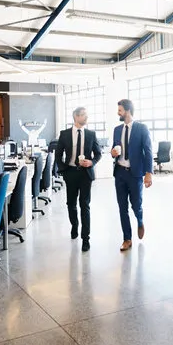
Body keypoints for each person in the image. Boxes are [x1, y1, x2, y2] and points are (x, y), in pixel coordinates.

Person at [54, 107, 102, 252]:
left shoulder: (91, 134)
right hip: (71, 173)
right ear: (76, 116)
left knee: (85, 205)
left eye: (86, 115)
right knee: (71, 204)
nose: (86, 118)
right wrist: (63, 170)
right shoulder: (64, 134)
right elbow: (58, 155)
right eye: (83, 115)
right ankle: (74, 225)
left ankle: (85, 238)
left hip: (86, 174)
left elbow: (98, 154)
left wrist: (91, 163)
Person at [110, 99, 152, 252]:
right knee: (122, 208)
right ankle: (127, 239)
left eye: (120, 110)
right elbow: (114, 149)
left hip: (135, 175)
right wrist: (112, 153)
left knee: (136, 206)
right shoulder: (116, 129)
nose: (118, 113)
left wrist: (148, 174)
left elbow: (147, 151)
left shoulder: (141, 128)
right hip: (120, 172)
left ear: (127, 111)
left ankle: (140, 221)